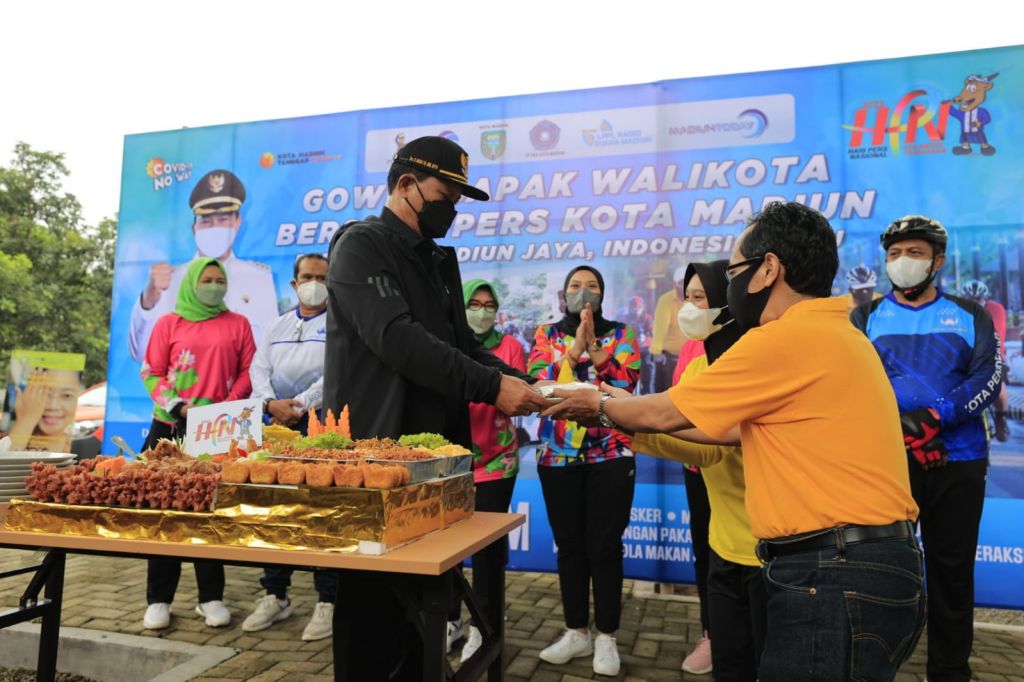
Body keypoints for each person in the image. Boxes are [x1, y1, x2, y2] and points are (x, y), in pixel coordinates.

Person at [545, 202, 924, 682]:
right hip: (863, 567)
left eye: (737, 270)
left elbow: (667, 411)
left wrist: (595, 404)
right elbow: (720, 432)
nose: (731, 287)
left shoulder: (785, 339)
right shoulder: (833, 333)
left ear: (769, 269)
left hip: (834, 573)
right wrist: (619, 413)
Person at [321, 135, 548, 680]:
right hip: (377, 464)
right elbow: (397, 339)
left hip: (439, 465)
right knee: (372, 617)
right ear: (406, 185)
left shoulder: (438, 262)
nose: (455, 210)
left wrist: (538, 388)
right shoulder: (360, 246)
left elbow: (462, 347)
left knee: (425, 614)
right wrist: (493, 390)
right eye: (448, 195)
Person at [851, 216, 1002, 682]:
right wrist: (905, 434)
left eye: (914, 253)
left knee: (951, 575)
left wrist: (935, 418)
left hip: (958, 463)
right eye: (895, 253)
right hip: (890, 462)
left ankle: (950, 671)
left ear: (936, 261)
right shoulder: (865, 316)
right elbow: (855, 384)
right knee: (877, 574)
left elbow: (988, 377)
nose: (903, 262)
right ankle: (872, 669)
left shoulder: (968, 314)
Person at [636, 259, 764, 681]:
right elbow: (702, 449)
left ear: (728, 301)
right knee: (730, 663)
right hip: (724, 547)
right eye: (685, 298)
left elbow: (720, 437)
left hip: (770, 552)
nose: (688, 309)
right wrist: (624, 425)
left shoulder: (756, 359)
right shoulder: (697, 367)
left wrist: (618, 414)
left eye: (699, 298)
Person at [528, 265, 641, 677]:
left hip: (611, 453)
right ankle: (576, 631)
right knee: (570, 546)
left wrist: (594, 347)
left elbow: (628, 383)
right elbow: (539, 385)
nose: (583, 293)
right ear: (563, 295)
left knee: (605, 546)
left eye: (591, 286)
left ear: (603, 294)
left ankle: (607, 636)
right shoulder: (546, 334)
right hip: (558, 456)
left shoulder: (622, 334)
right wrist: (573, 348)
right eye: (575, 286)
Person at [139, 257, 256, 631]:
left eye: (219, 280)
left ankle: (210, 597)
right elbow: (151, 371)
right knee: (164, 511)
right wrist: (178, 405)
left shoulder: (238, 323)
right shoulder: (168, 323)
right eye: (206, 279)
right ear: (192, 282)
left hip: (216, 432)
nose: (213, 285)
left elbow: (249, 371)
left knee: (209, 512)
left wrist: (223, 408)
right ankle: (159, 599)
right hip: (170, 427)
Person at [243, 252, 335, 641]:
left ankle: (328, 600)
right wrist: (269, 404)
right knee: (275, 512)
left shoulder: (340, 326)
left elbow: (335, 372)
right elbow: (258, 370)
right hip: (274, 429)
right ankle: (276, 595)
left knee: (320, 514)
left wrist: (299, 406)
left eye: (322, 277)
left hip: (318, 429)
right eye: (307, 277)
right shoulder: (275, 326)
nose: (314, 283)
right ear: (295, 284)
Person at [452, 278, 527, 662]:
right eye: (474, 304)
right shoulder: (448, 346)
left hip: (497, 462)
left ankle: (485, 627)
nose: (482, 311)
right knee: (446, 547)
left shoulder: (511, 347)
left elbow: (514, 397)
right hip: (454, 464)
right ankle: (451, 620)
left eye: (489, 305)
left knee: (486, 551)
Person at [128, 170, 277, 362]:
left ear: (237, 223)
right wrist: (149, 299)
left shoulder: (259, 279)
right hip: (185, 389)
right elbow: (140, 353)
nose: (214, 228)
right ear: (194, 228)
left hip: (242, 390)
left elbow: (269, 355)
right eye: (206, 221)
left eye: (223, 220)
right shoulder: (170, 281)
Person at [961, 278, 1010, 441]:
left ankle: (1000, 419)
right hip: (965, 355)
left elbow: (998, 336)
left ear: (985, 299)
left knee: (998, 386)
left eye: (978, 300)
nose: (975, 303)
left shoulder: (996, 310)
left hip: (991, 354)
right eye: (970, 300)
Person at [7, 370, 80, 452]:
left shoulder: (82, 444)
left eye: (67, 395)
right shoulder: (6, 437)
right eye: (45, 393)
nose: (53, 406)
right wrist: (25, 421)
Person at [651, 266, 688, 392]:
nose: (684, 286)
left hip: (693, 357)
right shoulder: (665, 300)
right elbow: (660, 327)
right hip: (669, 357)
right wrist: (657, 351)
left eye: (687, 282)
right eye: (681, 282)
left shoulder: (698, 298)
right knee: (666, 392)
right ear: (674, 284)